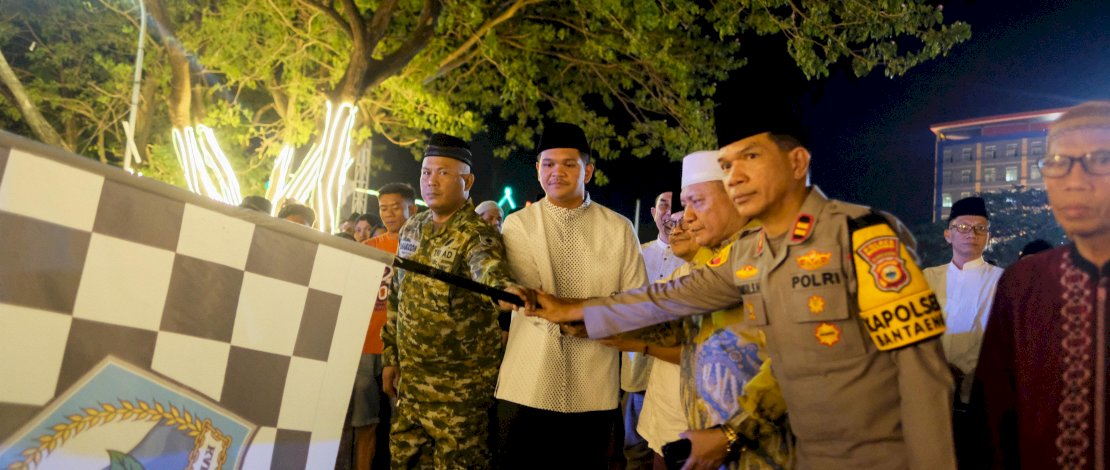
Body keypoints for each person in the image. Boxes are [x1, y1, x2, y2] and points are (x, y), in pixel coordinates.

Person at [526, 115, 956, 469]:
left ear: (797, 162)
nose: (736, 177)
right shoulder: (749, 251)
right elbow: (672, 297)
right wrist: (574, 311)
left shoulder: (860, 235)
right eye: (728, 165)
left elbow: (922, 377)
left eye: (750, 157)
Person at [495, 122, 648, 468]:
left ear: (588, 171)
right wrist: (602, 310)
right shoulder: (519, 224)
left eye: (569, 164)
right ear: (537, 171)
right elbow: (535, 302)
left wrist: (580, 314)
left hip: (594, 390)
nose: (557, 172)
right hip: (527, 385)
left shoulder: (619, 229)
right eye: (548, 164)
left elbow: (638, 302)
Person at [974, 100, 1110, 469]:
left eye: (1100, 159)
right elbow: (992, 423)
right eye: (1058, 163)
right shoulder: (1023, 284)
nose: (1075, 181)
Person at [380, 133, 524, 469]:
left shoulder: (476, 233)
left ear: (467, 181)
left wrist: (505, 290)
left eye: (443, 173)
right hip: (412, 387)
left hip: (460, 397)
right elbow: (398, 296)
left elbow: (487, 269)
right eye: (426, 172)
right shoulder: (412, 228)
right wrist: (391, 356)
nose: (432, 181)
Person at [348, 182, 417, 470]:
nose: (388, 214)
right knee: (364, 425)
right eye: (383, 208)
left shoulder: (422, 249)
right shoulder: (365, 250)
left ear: (411, 209)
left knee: (404, 429)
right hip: (365, 347)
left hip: (404, 349)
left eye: (395, 208)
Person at [620, 189, 685, 469]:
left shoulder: (695, 260)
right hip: (637, 369)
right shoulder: (638, 255)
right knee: (634, 448)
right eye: (664, 206)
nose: (669, 214)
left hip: (676, 372)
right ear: (653, 212)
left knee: (670, 450)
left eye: (676, 207)